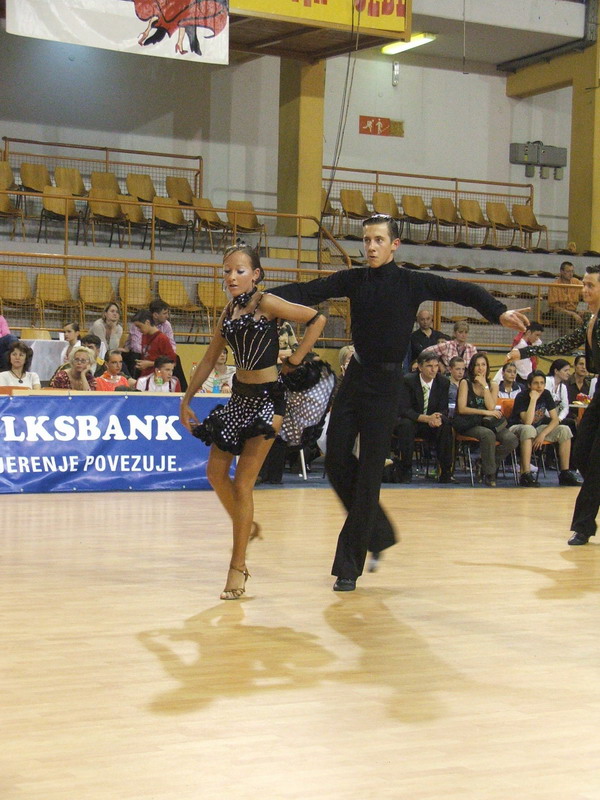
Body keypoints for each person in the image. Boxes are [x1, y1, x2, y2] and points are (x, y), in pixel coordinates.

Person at [268, 214, 529, 591]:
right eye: (366, 240)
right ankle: (379, 531)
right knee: (336, 459)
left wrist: (498, 311)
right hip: (356, 377)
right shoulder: (354, 279)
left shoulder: (411, 282)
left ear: (394, 245)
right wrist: (260, 297)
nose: (370, 246)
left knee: (369, 474)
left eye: (378, 240)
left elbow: (462, 290)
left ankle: (348, 566)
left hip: (388, 383)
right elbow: (307, 291)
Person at [179, 244, 326, 600]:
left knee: (243, 484)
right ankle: (246, 523)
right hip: (239, 399)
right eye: (226, 271)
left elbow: (316, 319)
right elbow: (210, 357)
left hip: (268, 401)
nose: (231, 277)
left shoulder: (267, 302)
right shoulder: (229, 311)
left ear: (256, 274)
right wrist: (186, 398)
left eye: (239, 271)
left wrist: (296, 360)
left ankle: (237, 567)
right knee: (214, 473)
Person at [508, 264, 600, 542]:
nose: (584, 290)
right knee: (581, 455)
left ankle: (583, 526)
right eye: (584, 284)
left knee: (595, 461)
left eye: (590, 285)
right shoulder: (591, 318)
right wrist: (525, 351)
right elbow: (564, 343)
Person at [452, 352, 518, 486]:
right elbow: (462, 409)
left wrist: (485, 386)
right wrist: (484, 412)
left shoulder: (493, 385)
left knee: (511, 439)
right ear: (472, 367)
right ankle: (490, 474)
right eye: (477, 365)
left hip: (488, 423)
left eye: (483, 365)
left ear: (487, 367)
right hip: (469, 422)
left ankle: (484, 463)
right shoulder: (465, 383)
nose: (480, 368)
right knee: (488, 435)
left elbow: (491, 406)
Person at [507, 369, 579, 487]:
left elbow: (555, 419)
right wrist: (533, 400)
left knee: (564, 429)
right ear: (529, 385)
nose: (539, 386)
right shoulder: (522, 396)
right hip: (516, 428)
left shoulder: (546, 394)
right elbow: (527, 421)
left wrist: (543, 434)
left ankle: (564, 473)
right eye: (536, 383)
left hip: (536, 428)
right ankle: (525, 474)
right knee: (529, 429)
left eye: (542, 383)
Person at [393, 350, 453, 483]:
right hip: (413, 421)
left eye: (436, 366)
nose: (433, 370)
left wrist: (437, 417)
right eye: (429, 366)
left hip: (431, 423)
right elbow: (404, 410)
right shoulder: (408, 381)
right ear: (420, 367)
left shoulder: (443, 382)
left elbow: (444, 408)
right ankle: (406, 470)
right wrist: (426, 418)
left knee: (446, 425)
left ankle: (445, 471)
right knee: (406, 425)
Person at [131, 310, 177, 377]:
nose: (138, 330)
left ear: (147, 322)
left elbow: (172, 362)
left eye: (139, 326)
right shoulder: (144, 336)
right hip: (145, 376)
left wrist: (150, 364)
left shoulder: (162, 339)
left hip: (158, 378)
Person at [547, 261, 583, 332]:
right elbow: (554, 307)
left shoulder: (577, 282)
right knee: (564, 316)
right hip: (558, 312)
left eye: (572, 271)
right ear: (561, 272)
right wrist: (572, 313)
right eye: (568, 271)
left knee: (585, 316)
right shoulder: (554, 285)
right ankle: (565, 338)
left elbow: (589, 294)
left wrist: (585, 311)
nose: (571, 274)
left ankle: (580, 338)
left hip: (573, 311)